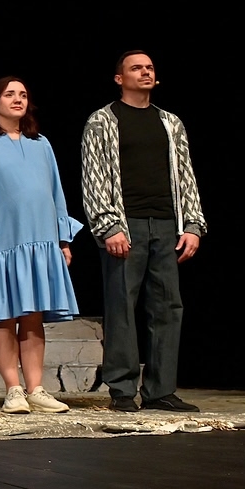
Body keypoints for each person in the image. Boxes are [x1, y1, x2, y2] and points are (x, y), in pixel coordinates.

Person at [81, 50, 207, 412]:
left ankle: (160, 390)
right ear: (120, 78)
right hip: (126, 225)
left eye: (149, 67)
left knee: (168, 307)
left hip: (167, 225)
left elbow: (186, 175)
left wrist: (193, 224)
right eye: (136, 68)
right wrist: (108, 226)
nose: (145, 72)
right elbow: (93, 177)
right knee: (122, 307)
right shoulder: (102, 121)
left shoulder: (170, 122)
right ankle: (122, 390)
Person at [0, 78, 82, 414]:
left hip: (41, 240)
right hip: (4, 242)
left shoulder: (41, 144)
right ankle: (13, 389)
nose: (18, 99)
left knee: (33, 316)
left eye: (23, 95)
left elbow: (56, 192)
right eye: (10, 94)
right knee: (4, 316)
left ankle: (36, 388)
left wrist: (62, 239)